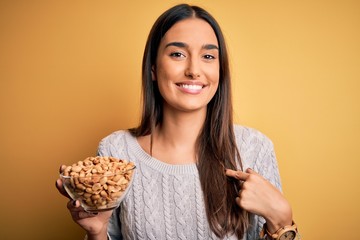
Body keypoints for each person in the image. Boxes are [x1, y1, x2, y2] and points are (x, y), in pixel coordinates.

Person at [56, 3, 300, 240]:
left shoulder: (254, 149)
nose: (194, 70)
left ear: (220, 70)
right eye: (177, 54)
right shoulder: (116, 151)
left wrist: (281, 218)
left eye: (207, 56)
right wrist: (96, 233)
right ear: (152, 68)